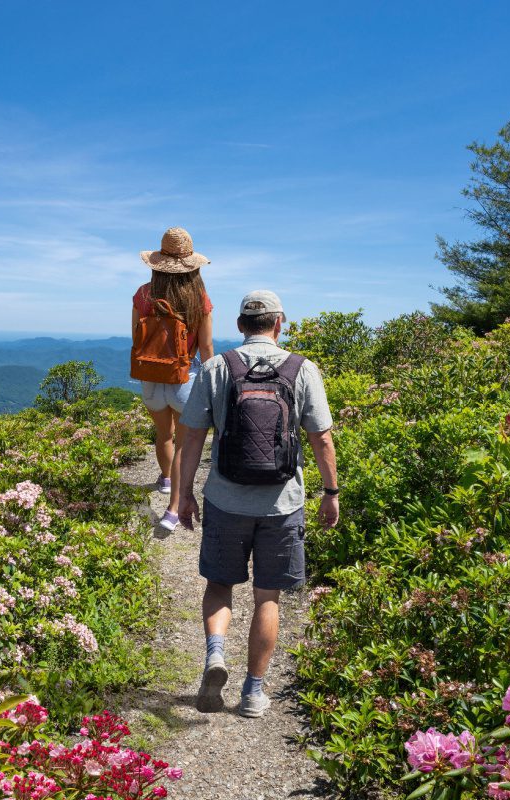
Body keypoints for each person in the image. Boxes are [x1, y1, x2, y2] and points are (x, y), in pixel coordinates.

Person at [175, 289, 340, 718]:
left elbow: (191, 436)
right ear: (279, 323)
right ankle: (253, 692)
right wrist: (330, 493)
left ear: (239, 326)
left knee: (219, 585)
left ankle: (215, 654)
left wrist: (184, 495)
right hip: (282, 504)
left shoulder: (215, 368)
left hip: (226, 500)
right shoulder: (301, 369)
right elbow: (321, 438)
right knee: (268, 597)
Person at [132, 227, 215, 531]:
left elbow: (136, 339)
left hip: (151, 378)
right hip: (185, 379)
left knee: (162, 435)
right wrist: (211, 383)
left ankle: (165, 480)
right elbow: (205, 347)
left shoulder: (143, 294)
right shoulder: (199, 298)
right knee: (184, 444)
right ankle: (172, 509)